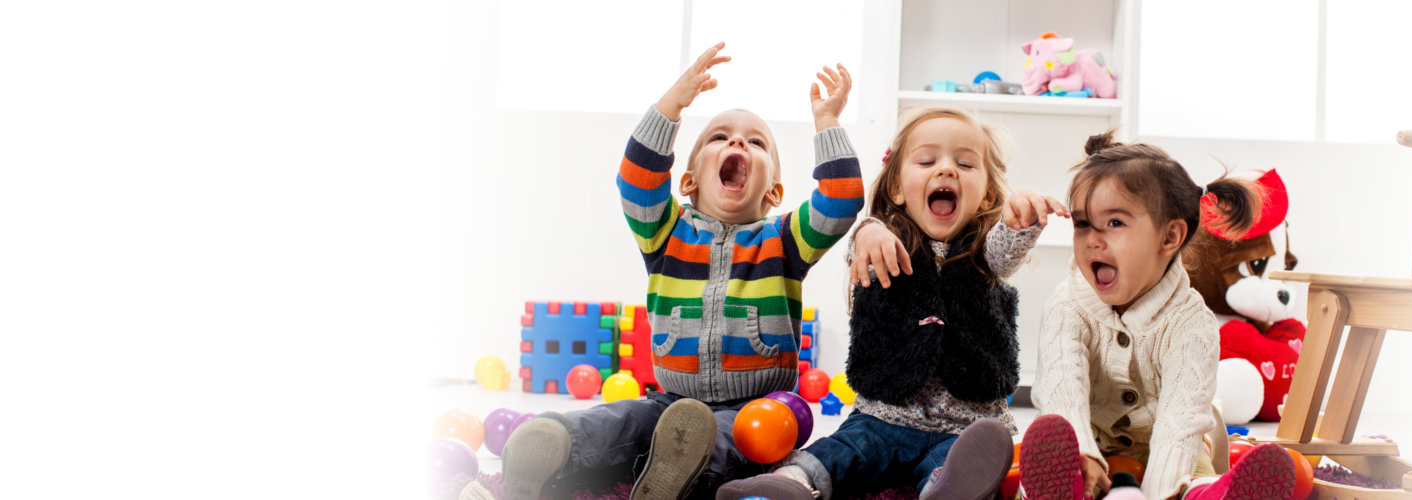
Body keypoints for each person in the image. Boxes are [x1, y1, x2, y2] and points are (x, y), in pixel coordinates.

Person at [470, 42, 862, 500]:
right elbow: (636, 179)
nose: (737, 142)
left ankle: (676, 475)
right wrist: (671, 105)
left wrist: (828, 124)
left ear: (774, 191)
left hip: (755, 409)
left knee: (730, 438)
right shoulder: (665, 232)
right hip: (669, 402)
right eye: (720, 137)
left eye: (756, 142)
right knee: (620, 422)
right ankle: (551, 445)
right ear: (690, 180)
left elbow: (840, 201)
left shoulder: (785, 240)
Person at [717, 107, 1068, 500]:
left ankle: (944, 488)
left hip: (964, 425)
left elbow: (1006, 249)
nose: (947, 170)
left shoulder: (983, 252)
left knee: (957, 462)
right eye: (928, 160)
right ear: (898, 188)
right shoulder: (884, 238)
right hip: (883, 416)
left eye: (965, 163)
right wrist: (867, 230)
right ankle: (793, 482)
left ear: (986, 191)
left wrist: (1019, 219)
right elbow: (862, 247)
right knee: (842, 451)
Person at [1023, 132, 1292, 500]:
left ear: (1170, 238)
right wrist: (1082, 454)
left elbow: (1180, 423)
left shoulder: (1191, 321)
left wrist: (1158, 494)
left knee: (1194, 477)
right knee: (1059, 458)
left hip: (1173, 452)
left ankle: (1212, 495)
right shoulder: (1067, 305)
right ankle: (1064, 487)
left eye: (1114, 223)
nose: (1092, 240)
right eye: (1082, 223)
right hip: (1093, 447)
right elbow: (1062, 387)